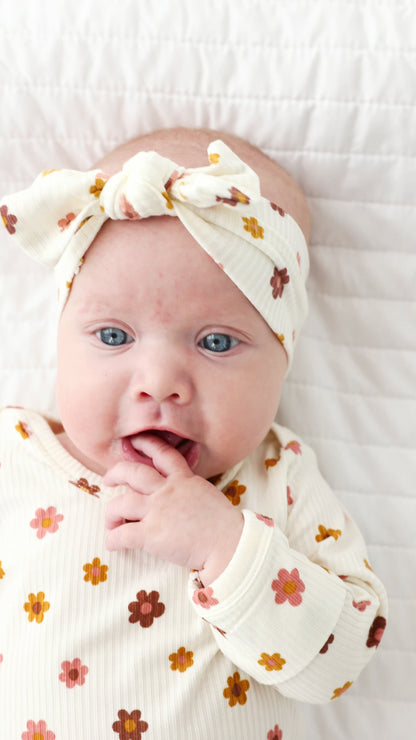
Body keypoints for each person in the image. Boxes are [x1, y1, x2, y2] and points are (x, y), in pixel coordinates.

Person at [0, 128, 387, 740]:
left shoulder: (274, 475)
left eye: (215, 342)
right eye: (112, 336)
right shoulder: (13, 458)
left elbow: (338, 665)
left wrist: (227, 550)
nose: (158, 383)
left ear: (283, 360)